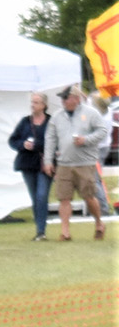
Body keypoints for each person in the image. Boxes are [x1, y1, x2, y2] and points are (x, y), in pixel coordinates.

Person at [42, 85, 108, 242]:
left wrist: (86, 140)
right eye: (62, 98)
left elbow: (102, 131)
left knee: (89, 196)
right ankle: (65, 232)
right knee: (64, 198)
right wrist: (48, 160)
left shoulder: (90, 113)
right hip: (64, 163)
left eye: (66, 98)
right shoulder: (57, 117)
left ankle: (99, 223)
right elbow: (50, 139)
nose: (63, 101)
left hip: (85, 163)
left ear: (76, 99)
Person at [9, 93, 52, 241]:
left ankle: (41, 230)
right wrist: (23, 145)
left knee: (42, 196)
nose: (33, 105)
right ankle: (39, 229)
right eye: (32, 102)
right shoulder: (25, 122)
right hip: (27, 163)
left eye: (37, 102)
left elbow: (55, 142)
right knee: (35, 197)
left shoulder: (51, 122)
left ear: (44, 105)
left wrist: (36, 145)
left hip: (45, 164)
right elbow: (12, 140)